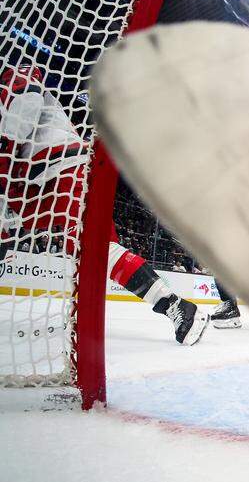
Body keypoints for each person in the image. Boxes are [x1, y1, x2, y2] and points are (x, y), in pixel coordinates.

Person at [1, 63, 208, 345]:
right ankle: (174, 305)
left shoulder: (15, 73)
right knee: (94, 254)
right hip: (37, 183)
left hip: (57, 168)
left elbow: (26, 94)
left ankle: (176, 305)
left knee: (95, 250)